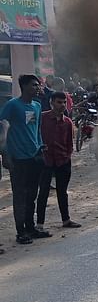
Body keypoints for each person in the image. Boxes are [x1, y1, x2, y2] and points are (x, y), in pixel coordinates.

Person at [0, 75, 51, 244]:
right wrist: (5, 154)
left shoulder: (37, 106)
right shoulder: (12, 105)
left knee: (32, 195)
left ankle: (30, 227)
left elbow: (36, 130)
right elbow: (3, 130)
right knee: (20, 196)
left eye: (38, 85)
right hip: (18, 159)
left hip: (35, 157)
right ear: (23, 86)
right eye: (34, 85)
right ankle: (20, 232)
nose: (37, 88)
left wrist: (41, 145)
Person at [36, 91, 82, 231]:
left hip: (63, 160)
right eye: (59, 102)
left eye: (64, 102)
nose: (62, 105)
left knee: (62, 191)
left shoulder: (68, 122)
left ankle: (66, 220)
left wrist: (67, 156)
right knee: (43, 192)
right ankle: (40, 224)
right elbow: (36, 135)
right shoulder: (42, 118)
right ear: (51, 103)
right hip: (46, 160)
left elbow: (69, 143)